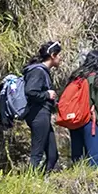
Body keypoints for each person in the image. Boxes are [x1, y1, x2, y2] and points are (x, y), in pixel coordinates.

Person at [67, 49, 98, 168]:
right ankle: (93, 185)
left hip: (75, 122)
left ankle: (74, 183)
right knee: (93, 161)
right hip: (90, 123)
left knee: (77, 159)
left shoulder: (76, 77)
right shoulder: (97, 80)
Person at [23, 41, 63, 172]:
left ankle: (42, 180)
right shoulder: (38, 71)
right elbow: (30, 91)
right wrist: (47, 94)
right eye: (59, 55)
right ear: (52, 55)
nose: (60, 58)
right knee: (37, 153)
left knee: (52, 154)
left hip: (43, 113)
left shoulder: (43, 71)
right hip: (38, 114)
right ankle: (28, 183)